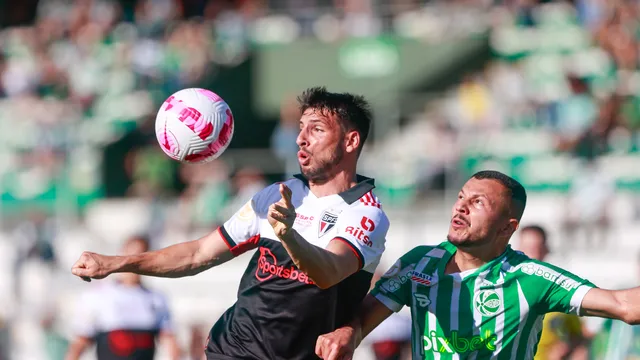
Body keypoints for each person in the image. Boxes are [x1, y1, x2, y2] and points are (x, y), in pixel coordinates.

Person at [70, 87, 390, 360]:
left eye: (316, 129)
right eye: (301, 127)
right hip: (231, 349)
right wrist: (115, 263)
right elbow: (198, 254)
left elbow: (328, 272)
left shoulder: (365, 214)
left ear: (350, 142)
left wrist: (288, 236)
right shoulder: (275, 195)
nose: (301, 139)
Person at [316, 170, 640, 360]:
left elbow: (624, 305)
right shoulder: (419, 263)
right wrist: (346, 334)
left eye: (478, 203)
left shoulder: (530, 278)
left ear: (507, 227)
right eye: (461, 197)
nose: (460, 208)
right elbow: (361, 321)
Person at [65, 236, 181, 360]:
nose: (136, 260)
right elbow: (81, 341)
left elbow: (168, 340)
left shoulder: (157, 299)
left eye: (142, 254)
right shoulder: (97, 296)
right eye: (132, 254)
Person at [517, 225, 588, 360]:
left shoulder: (561, 292)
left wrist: (566, 348)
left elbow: (579, 338)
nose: (530, 255)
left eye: (535, 249)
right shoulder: (506, 289)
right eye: (525, 248)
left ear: (546, 250)